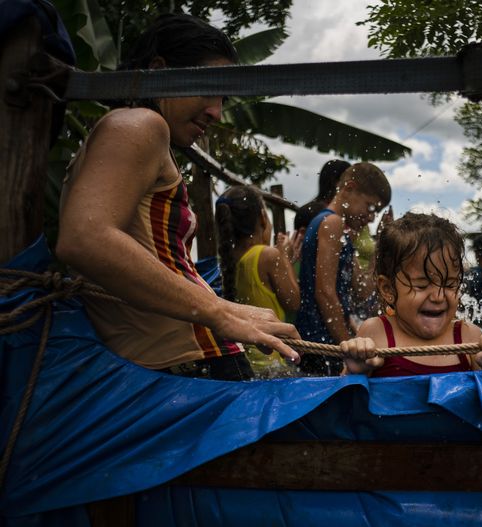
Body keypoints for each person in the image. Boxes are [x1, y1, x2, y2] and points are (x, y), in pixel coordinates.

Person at [56, 14, 300, 381]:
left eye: (222, 97)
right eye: (208, 88)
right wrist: (220, 313)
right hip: (183, 372)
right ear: (159, 71)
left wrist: (226, 309)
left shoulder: (121, 133)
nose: (216, 111)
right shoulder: (140, 124)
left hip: (171, 370)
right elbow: (85, 238)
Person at [341, 213, 482, 377]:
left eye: (450, 284)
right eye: (422, 285)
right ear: (388, 290)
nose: (438, 296)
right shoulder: (376, 333)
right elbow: (345, 405)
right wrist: (354, 372)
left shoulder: (469, 337)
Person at [295, 162, 391, 375]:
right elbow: (326, 294)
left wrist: (356, 334)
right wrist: (346, 346)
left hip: (319, 339)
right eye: (370, 207)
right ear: (349, 188)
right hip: (320, 342)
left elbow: (342, 295)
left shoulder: (331, 224)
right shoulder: (333, 223)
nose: (372, 217)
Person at [215, 185, 300, 377]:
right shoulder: (268, 255)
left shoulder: (229, 261)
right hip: (272, 363)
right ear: (262, 217)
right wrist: (284, 256)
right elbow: (293, 302)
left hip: (245, 362)